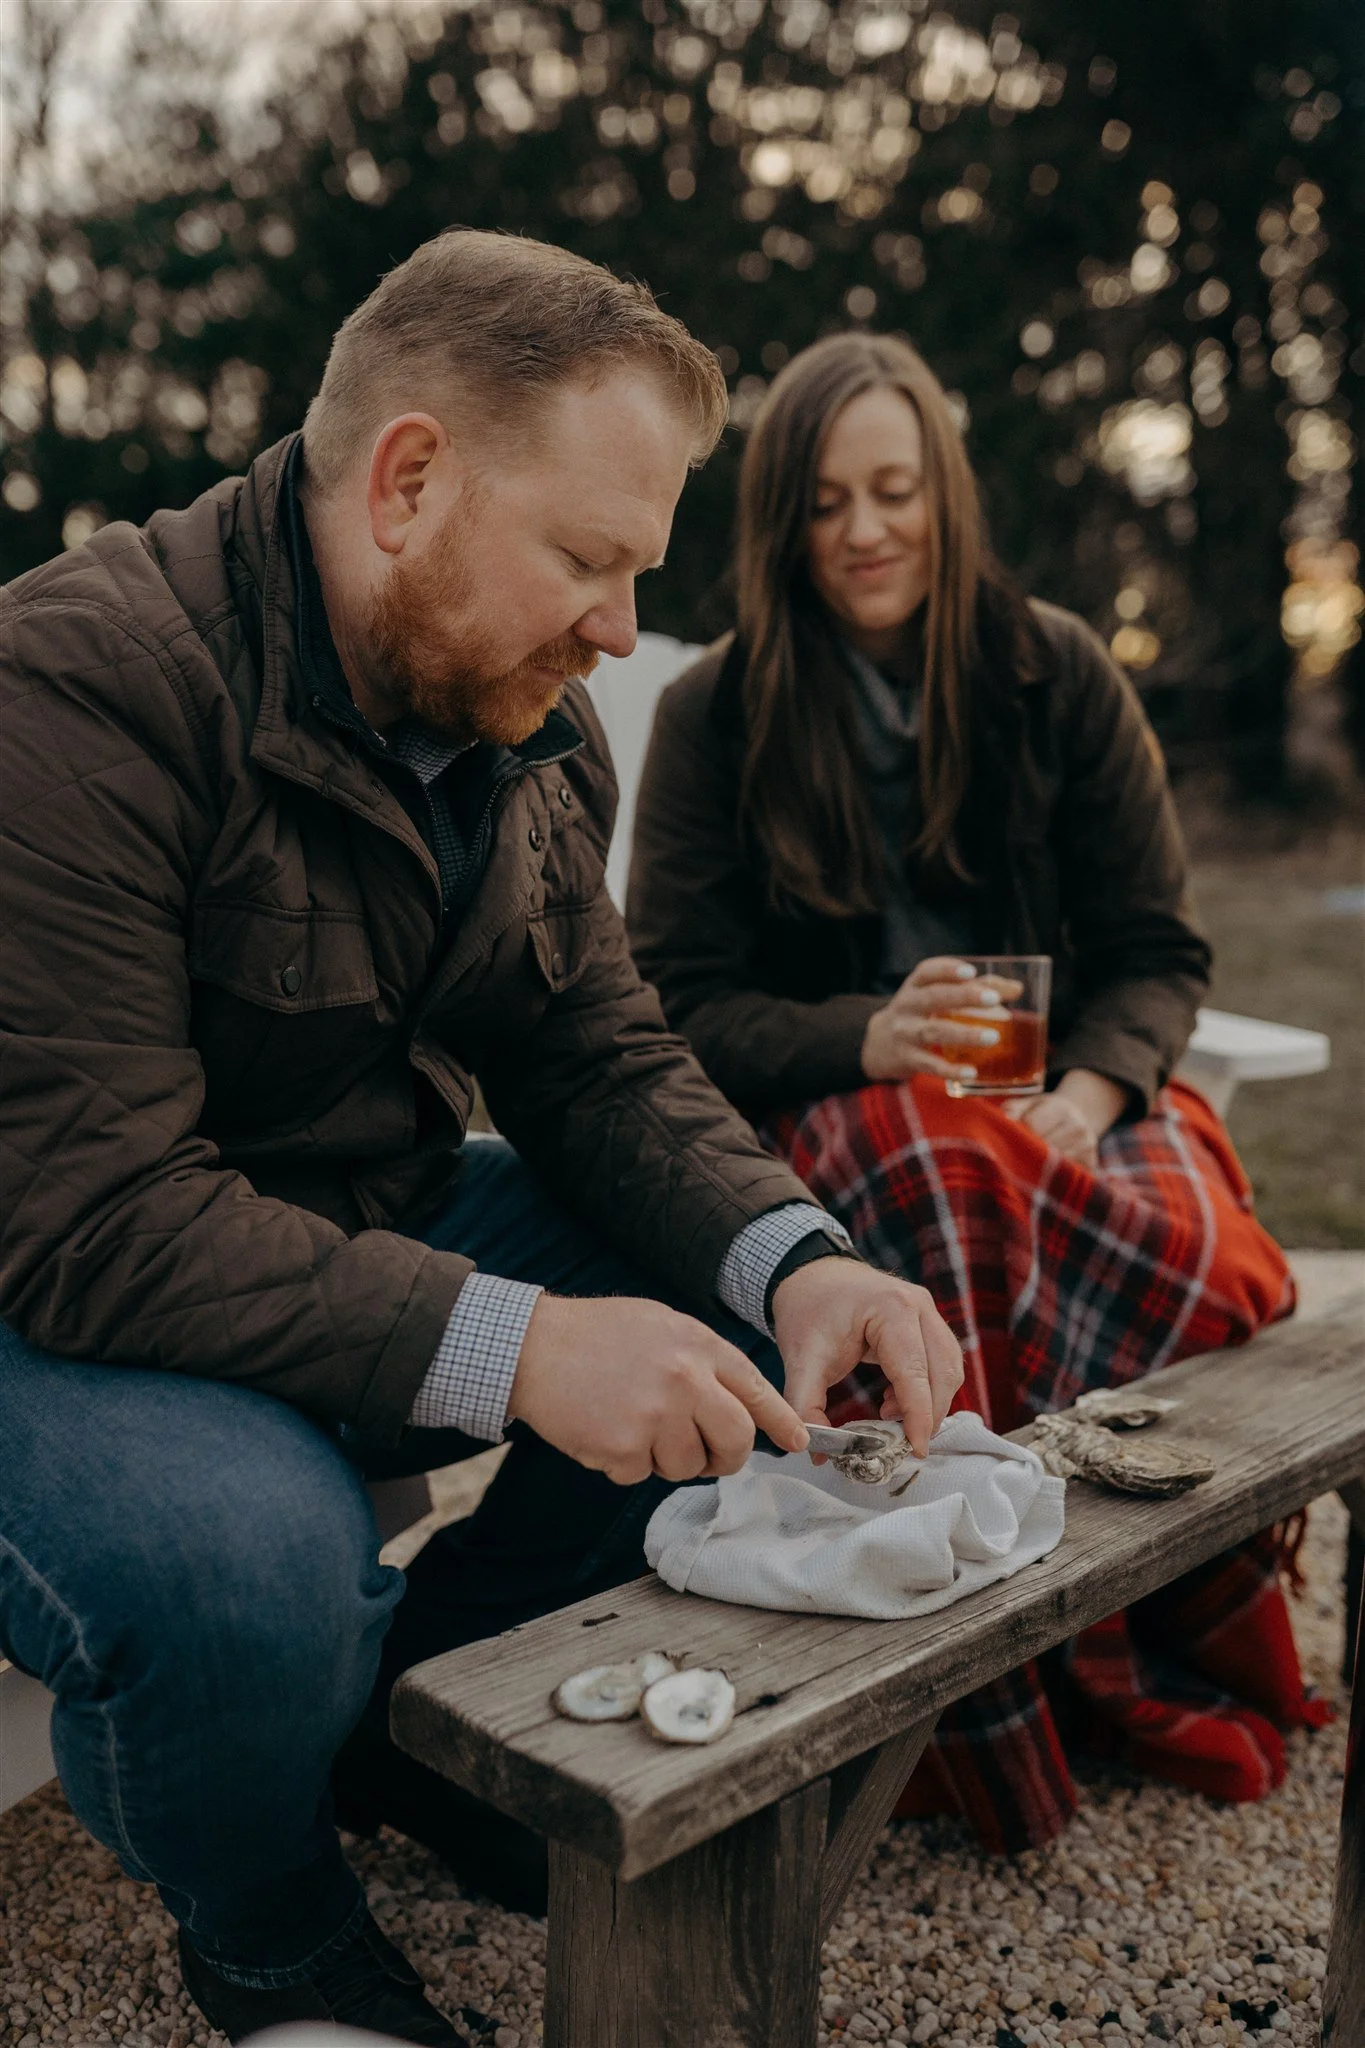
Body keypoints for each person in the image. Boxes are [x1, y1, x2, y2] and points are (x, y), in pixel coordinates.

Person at [0, 241, 966, 2046]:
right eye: (587, 560)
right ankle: (268, 1919)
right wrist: (517, 1344)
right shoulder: (73, 690)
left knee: (745, 1311)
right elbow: (97, 1216)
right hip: (59, 1299)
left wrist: (803, 1253)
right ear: (411, 478)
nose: (618, 627)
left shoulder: (525, 720)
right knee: (246, 1564)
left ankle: (423, 1735)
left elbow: (595, 1057)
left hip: (349, 1224)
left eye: (637, 574)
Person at [627, 331, 1323, 1857]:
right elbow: (676, 1001)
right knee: (937, 1193)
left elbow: (1155, 949)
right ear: (782, 525)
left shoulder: (1055, 671)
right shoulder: (717, 716)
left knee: (1206, 1254)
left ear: (943, 494)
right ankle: (974, 1712)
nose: (866, 531)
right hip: (837, 1116)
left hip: (1062, 1106)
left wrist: (1089, 1090)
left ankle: (1157, 1623)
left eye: (894, 491)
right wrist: (863, 1035)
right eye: (825, 502)